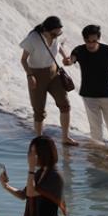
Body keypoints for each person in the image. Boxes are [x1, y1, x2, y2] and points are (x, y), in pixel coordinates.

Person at [64, 25, 108, 147]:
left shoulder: (107, 50)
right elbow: (71, 60)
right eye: (88, 41)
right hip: (89, 96)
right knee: (95, 129)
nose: (91, 44)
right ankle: (97, 158)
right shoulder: (79, 50)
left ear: (99, 39)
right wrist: (68, 62)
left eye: (94, 41)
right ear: (84, 39)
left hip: (107, 95)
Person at [19, 16, 73, 145]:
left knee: (65, 104)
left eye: (59, 32)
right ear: (46, 30)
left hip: (54, 74)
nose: (56, 35)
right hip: (36, 75)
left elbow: (58, 46)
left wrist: (65, 57)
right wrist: (29, 75)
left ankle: (65, 137)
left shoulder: (56, 36)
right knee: (39, 110)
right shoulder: (33, 38)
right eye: (54, 33)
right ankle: (39, 139)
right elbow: (23, 60)